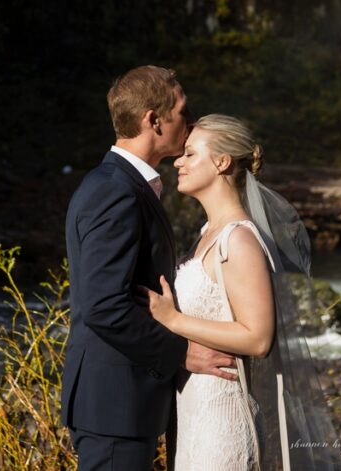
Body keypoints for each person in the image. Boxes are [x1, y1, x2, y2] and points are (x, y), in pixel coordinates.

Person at [60, 66, 238, 470]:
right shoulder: (114, 191)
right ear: (153, 120)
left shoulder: (119, 184)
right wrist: (181, 353)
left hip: (121, 403)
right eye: (183, 111)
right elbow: (103, 305)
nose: (190, 121)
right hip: (113, 404)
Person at [144, 114, 341, 470]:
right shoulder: (207, 233)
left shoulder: (238, 239)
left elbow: (258, 338)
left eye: (190, 154)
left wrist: (173, 320)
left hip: (221, 425)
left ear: (221, 162)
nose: (178, 162)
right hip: (191, 417)